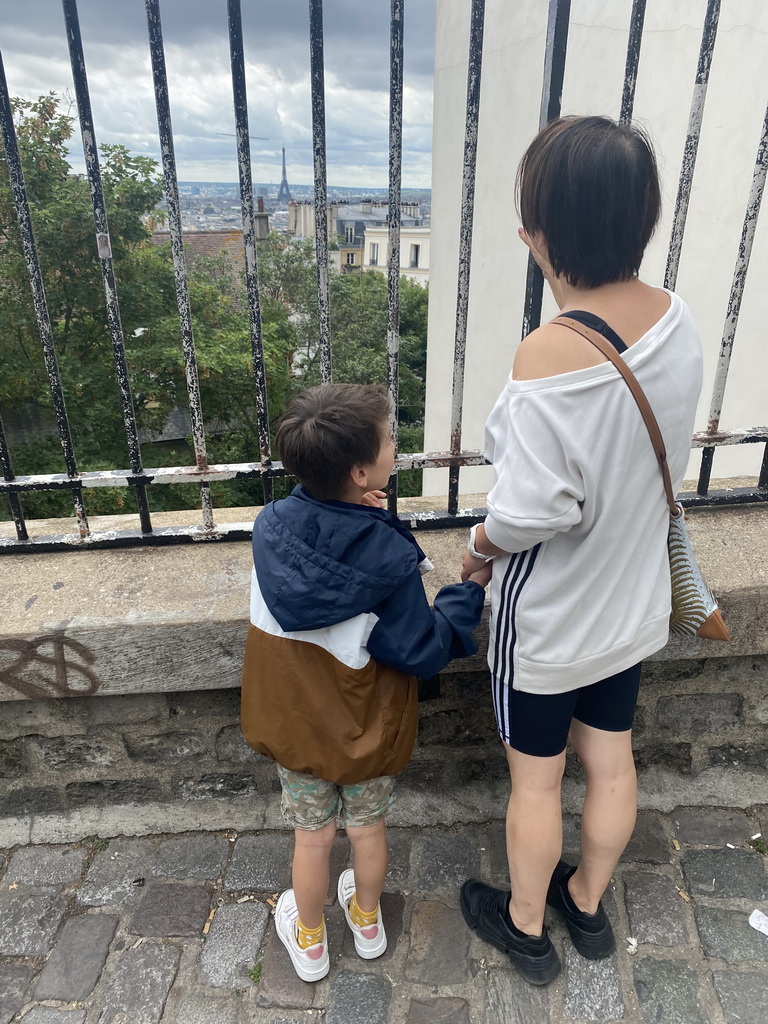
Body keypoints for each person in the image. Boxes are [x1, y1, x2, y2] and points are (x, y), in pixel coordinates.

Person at [459, 115, 703, 985]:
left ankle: (526, 926)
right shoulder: (677, 318)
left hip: (552, 622)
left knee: (537, 780)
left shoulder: (545, 360)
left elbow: (533, 512)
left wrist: (479, 545)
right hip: (630, 604)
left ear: (540, 236)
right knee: (611, 758)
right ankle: (588, 906)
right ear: (643, 218)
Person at [240, 382, 490, 983]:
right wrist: (469, 591)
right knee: (368, 830)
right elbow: (421, 648)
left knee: (312, 838)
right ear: (359, 471)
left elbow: (327, 566)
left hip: (296, 725)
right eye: (388, 439)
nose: (395, 444)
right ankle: (368, 922)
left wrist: (363, 515)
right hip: (364, 732)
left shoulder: (271, 526)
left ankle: (309, 939)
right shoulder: (386, 557)